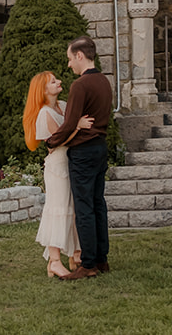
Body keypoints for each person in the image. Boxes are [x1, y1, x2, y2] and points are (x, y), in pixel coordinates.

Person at [46, 36, 113, 279]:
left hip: (83, 152)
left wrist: (51, 142)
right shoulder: (104, 81)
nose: (68, 65)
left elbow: (69, 123)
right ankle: (102, 259)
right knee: (98, 204)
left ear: (80, 56)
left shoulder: (80, 85)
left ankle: (88, 264)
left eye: (70, 59)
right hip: (100, 148)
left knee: (84, 208)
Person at [23, 70, 87, 279]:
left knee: (73, 209)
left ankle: (75, 254)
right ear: (43, 90)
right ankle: (55, 261)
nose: (59, 82)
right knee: (58, 209)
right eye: (53, 81)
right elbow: (59, 140)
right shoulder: (44, 114)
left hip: (71, 163)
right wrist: (77, 126)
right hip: (58, 166)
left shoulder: (63, 106)